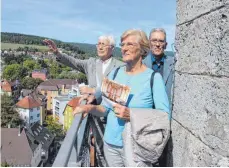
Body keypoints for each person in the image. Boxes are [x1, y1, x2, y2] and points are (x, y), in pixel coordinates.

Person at [73, 29, 170, 167]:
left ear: (142, 49)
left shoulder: (153, 78)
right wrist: (88, 108)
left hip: (136, 148)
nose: (124, 48)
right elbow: (106, 108)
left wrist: (131, 115)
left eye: (130, 44)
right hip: (110, 144)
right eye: (123, 45)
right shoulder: (114, 74)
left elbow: (163, 116)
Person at [43, 35, 124, 166]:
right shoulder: (91, 63)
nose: (100, 46)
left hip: (112, 116)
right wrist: (57, 52)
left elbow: (118, 90)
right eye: (98, 44)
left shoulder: (120, 66)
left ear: (112, 48)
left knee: (114, 151)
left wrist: (93, 90)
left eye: (104, 44)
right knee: (99, 150)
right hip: (94, 115)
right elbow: (73, 62)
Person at [143, 28, 176, 103]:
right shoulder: (141, 64)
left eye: (161, 41)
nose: (157, 44)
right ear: (149, 43)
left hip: (166, 111)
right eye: (154, 40)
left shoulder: (174, 64)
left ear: (165, 45)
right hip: (146, 112)